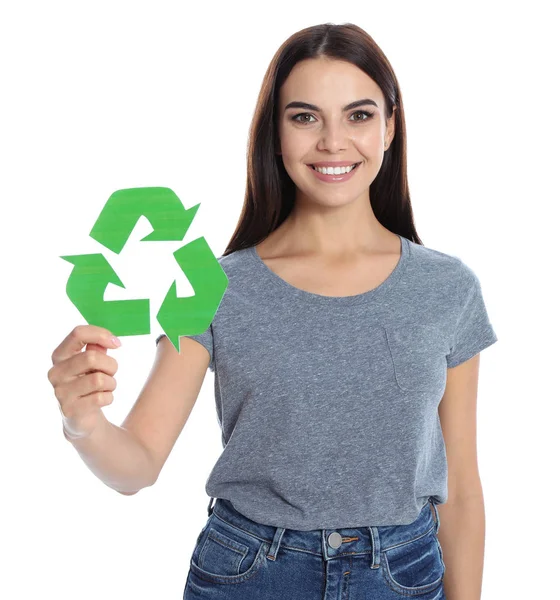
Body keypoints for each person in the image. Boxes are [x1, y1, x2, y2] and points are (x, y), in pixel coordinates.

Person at [49, 22, 498, 600]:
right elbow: (135, 465)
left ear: (390, 127)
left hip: (401, 577)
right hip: (249, 575)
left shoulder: (447, 288)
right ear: (275, 134)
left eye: (358, 115)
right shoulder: (211, 286)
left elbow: (460, 490)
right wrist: (82, 423)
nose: (333, 142)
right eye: (305, 117)